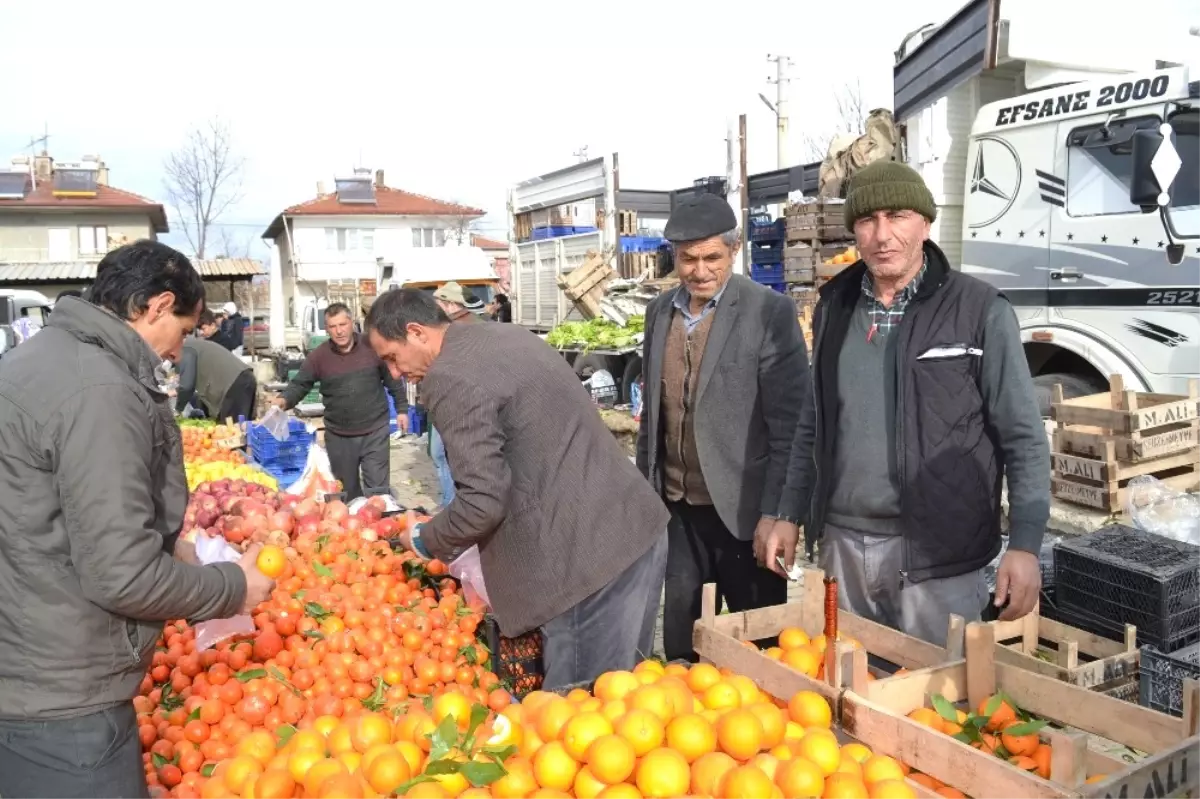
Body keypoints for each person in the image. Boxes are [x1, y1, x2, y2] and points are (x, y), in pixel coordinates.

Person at [0, 240, 273, 798]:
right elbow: (120, 574)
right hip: (63, 693)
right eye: (185, 327)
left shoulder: (37, 358)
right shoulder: (100, 389)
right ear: (156, 305)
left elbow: (57, 509)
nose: (181, 347)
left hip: (26, 657)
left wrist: (164, 542)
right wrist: (232, 587)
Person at [768, 161, 1050, 646]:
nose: (882, 235)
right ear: (853, 230)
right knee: (852, 693)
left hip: (937, 552)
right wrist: (789, 513)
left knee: (941, 703)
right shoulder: (835, 306)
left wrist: (1024, 544)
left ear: (925, 222)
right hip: (843, 544)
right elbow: (813, 424)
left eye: (897, 216)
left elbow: (1022, 436)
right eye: (866, 220)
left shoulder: (980, 310)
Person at [367, 289, 669, 688]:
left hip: (584, 566)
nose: (394, 373)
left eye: (391, 357)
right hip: (631, 529)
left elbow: (482, 502)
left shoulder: (450, 376)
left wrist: (424, 538)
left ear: (417, 332)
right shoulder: (504, 335)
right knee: (626, 697)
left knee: (581, 715)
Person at [635, 194, 810, 662]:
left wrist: (779, 514)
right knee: (682, 641)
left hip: (745, 513)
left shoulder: (767, 312)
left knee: (760, 646)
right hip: (678, 511)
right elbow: (653, 414)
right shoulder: (660, 314)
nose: (699, 270)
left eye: (711, 257)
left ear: (734, 251)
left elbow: (790, 427)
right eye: (688, 258)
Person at [274, 302, 407, 500]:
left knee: (377, 493)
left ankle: (378, 527)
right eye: (333, 327)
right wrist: (283, 401)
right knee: (346, 493)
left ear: (351, 323)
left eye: (342, 325)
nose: (339, 331)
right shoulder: (319, 357)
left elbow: (392, 379)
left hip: (375, 431)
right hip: (340, 437)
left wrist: (402, 409)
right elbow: (300, 384)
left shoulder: (372, 347)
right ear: (327, 329)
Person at [428, 283, 485, 505]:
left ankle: (452, 507)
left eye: (437, 305)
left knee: (443, 455)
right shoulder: (474, 323)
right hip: (459, 399)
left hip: (456, 401)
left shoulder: (457, 329)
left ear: (450, 305)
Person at [175, 312, 258, 421]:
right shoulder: (195, 345)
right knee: (243, 426)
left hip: (234, 384)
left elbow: (187, 386)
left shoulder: (186, 349)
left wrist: (177, 410)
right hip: (244, 377)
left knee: (232, 429)